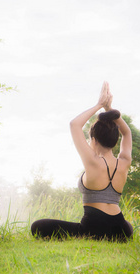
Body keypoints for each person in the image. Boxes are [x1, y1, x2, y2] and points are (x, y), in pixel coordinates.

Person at [31, 82, 133, 242]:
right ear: (115, 140)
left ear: (93, 140)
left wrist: (99, 104)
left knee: (38, 226)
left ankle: (94, 234)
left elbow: (74, 124)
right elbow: (127, 133)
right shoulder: (125, 161)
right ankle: (118, 233)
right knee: (127, 226)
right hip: (119, 228)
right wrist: (110, 110)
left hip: (94, 228)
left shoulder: (92, 161)